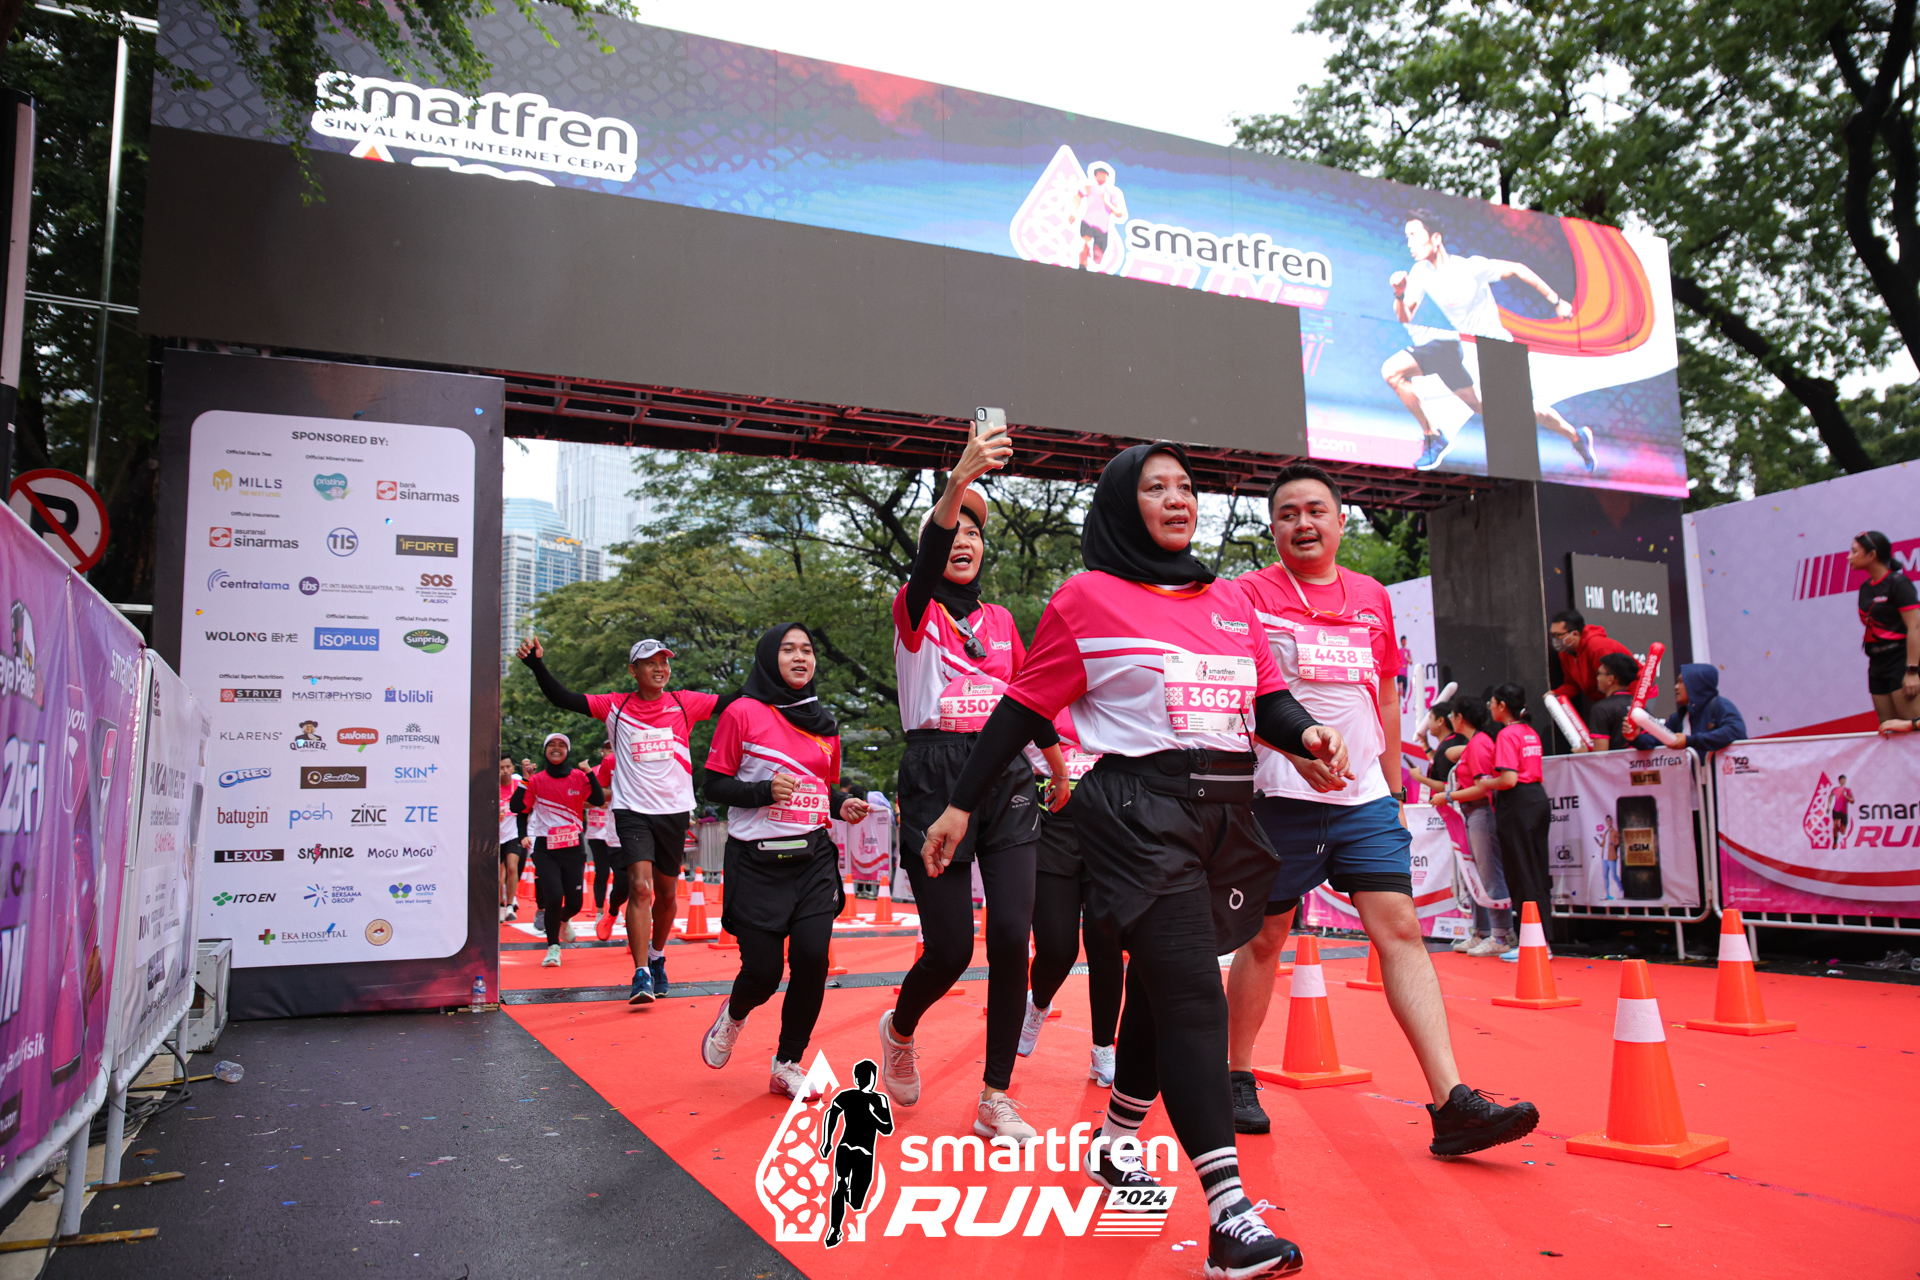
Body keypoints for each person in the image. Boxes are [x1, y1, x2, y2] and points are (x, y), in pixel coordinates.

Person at [924, 442, 1350, 1279]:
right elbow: (1021, 709)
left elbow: (1267, 699)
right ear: (1125, 505)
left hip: (1225, 815)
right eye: (1156, 488)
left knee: (1162, 990)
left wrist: (1308, 735)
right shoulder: (1086, 598)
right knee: (1193, 991)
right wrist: (960, 803)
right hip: (1135, 814)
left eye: (1186, 486)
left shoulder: (1229, 600)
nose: (1177, 499)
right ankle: (1230, 1219)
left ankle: (1117, 1141)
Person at [1227, 464, 1538, 1153]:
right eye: (1287, 514)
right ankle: (1235, 1075)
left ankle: (1452, 1102)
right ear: (1272, 528)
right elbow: (1239, 694)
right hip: (1279, 795)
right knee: (1265, 939)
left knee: (1400, 928)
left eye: (1316, 510)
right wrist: (1292, 752)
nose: (1303, 524)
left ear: (1341, 521)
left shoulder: (1370, 596)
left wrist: (1394, 792)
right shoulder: (1247, 594)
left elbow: (1388, 696)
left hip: (1364, 798)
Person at [880, 419, 1069, 1146]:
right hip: (935, 777)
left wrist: (1055, 761)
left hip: (1008, 774)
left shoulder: (1002, 620)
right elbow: (928, 558)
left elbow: (1026, 699)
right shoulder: (914, 610)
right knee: (952, 949)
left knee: (1013, 937)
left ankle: (995, 1095)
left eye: (975, 532)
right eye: (955, 527)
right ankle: (900, 1028)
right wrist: (960, 479)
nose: (964, 539)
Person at [700, 623, 871, 1101]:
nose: (800, 658)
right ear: (768, 658)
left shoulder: (825, 724)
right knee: (763, 973)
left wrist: (841, 804)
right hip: (756, 862)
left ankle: (787, 1063)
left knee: (813, 960)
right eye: (788, 650)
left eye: (807, 650)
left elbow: (819, 787)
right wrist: (762, 791)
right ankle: (734, 1015)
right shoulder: (742, 712)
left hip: (812, 858)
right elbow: (713, 785)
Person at [518, 636, 731, 1004]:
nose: (660, 668)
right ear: (634, 670)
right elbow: (563, 698)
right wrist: (537, 664)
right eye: (650, 662)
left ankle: (657, 956)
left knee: (666, 894)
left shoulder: (685, 702)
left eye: (664, 662)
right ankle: (641, 972)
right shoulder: (615, 706)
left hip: (674, 811)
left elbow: (734, 699)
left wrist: (772, 664)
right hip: (632, 811)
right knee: (640, 888)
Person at [1381, 208, 1596, 473]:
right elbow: (1405, 316)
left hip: (1499, 351)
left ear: (1435, 238)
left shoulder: (1470, 268)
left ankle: (1576, 436)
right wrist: (1399, 294)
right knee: (1479, 408)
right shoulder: (1420, 272)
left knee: (1528, 412)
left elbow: (1518, 269)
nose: (1410, 243)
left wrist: (1556, 301)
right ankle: (1434, 436)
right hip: (1468, 351)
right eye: (1407, 236)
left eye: (1414, 235)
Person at [1018, 709, 1124, 1088]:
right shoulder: (1042, 697)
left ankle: (1103, 1048)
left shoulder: (1116, 695)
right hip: (1050, 827)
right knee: (1058, 949)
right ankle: (1038, 1004)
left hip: (1108, 830)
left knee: (1106, 943)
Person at [509, 732, 605, 966]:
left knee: (574, 904)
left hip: (573, 847)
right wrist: (524, 780)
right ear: (545, 750)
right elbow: (517, 807)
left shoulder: (578, 777)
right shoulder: (536, 780)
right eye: (551, 744)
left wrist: (589, 773)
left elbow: (598, 799)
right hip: (546, 848)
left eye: (562, 745)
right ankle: (553, 948)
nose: (556, 748)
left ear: (567, 751)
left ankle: (563, 920)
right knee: (553, 896)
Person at [1477, 685, 1552, 960]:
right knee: (1535, 872)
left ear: (1502, 705)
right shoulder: (1530, 731)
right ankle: (1542, 941)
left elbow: (1508, 780)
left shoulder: (1508, 734)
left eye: (1492, 702)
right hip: (1536, 799)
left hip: (1518, 803)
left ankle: (1535, 945)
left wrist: (1486, 782)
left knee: (1522, 874)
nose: (1489, 706)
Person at [1435, 696, 1511, 955]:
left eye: (1453, 715)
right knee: (1474, 874)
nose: (1451, 720)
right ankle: (1481, 932)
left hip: (1481, 812)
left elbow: (1482, 788)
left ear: (1460, 718)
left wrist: (1448, 796)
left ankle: (1500, 935)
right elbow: (1451, 754)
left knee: (1489, 874)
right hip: (1471, 813)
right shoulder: (1475, 743)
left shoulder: (1479, 743)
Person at [817, 1059, 894, 1249]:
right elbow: (831, 1114)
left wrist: (871, 1115)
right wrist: (827, 1141)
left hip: (859, 1152)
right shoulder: (850, 1096)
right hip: (849, 1148)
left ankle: (849, 1199)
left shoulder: (878, 1099)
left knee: (856, 1200)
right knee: (840, 1185)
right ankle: (835, 1229)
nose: (866, 1080)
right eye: (864, 1076)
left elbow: (887, 1128)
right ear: (859, 1078)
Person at [1849, 531, 1920, 724]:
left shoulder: (1899, 583)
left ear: (1872, 554)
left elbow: (1915, 627)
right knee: (1888, 729)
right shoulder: (1866, 588)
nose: (1849, 557)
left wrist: (1912, 671)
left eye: (1854, 551)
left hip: (1900, 661)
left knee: (1912, 728)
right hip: (1877, 664)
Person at [1632, 664, 1748, 757]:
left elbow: (1735, 731)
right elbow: (1657, 740)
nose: (1676, 687)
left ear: (1696, 684)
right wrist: (1635, 737)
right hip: (1693, 779)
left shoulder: (1719, 705)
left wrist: (1689, 741)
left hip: (1720, 779)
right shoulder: (1679, 717)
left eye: (1681, 682)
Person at [1548, 609, 1635, 715]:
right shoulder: (1566, 652)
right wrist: (1555, 695)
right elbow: (1573, 684)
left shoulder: (1597, 647)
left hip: (1634, 693)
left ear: (1575, 634)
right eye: (1552, 635)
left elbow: (1614, 683)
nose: (1555, 639)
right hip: (1606, 700)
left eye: (1558, 635)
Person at [1577, 651, 1639, 751]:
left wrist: (1583, 755)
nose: (1597, 678)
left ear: (1611, 679)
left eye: (1600, 674)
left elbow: (1600, 755)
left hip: (1616, 762)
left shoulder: (1601, 709)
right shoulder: (1640, 706)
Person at [1071, 162, 1128, 270]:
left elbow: (1119, 213)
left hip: (1103, 228)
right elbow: (1077, 198)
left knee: (1098, 257)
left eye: (1104, 174)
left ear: (1108, 177)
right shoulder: (1089, 188)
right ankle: (1082, 267)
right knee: (1084, 244)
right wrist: (1073, 213)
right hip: (1088, 223)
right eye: (1099, 174)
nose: (1101, 176)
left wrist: (1107, 203)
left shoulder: (1112, 193)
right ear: (1095, 176)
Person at [586, 745, 618, 923]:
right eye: (607, 750)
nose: (610, 753)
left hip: (616, 829)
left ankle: (615, 908)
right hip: (596, 831)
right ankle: (599, 911)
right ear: (602, 752)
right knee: (602, 872)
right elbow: (581, 799)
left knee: (620, 873)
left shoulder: (623, 768)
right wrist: (597, 802)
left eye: (613, 749)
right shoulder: (591, 773)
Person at [498, 755, 525, 922]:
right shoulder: (492, 787)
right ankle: (500, 905)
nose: (505, 771)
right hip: (495, 836)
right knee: (498, 874)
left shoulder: (518, 786)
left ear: (513, 769)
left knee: (512, 868)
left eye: (508, 767)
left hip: (513, 834)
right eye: (501, 768)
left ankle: (510, 904)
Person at [1831, 774, 1853, 847]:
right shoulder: (1835, 789)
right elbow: (1830, 797)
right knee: (1835, 825)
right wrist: (1828, 806)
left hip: (1844, 812)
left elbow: (1852, 801)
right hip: (1836, 810)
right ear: (1839, 781)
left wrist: (1845, 796)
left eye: (1844, 780)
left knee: (1843, 831)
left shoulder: (1848, 790)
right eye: (1842, 780)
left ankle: (1838, 829)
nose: (1843, 781)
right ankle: (1835, 842)